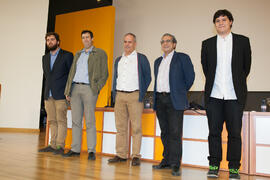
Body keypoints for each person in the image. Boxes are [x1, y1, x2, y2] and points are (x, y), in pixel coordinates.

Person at [201, 9, 251, 179]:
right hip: (214, 96)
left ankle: (234, 168)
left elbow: (246, 68)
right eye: (217, 20)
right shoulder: (207, 44)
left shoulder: (242, 42)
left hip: (234, 97)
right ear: (214, 24)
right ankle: (214, 165)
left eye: (224, 20)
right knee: (214, 132)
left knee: (234, 134)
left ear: (230, 22)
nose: (220, 23)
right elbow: (206, 69)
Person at [152, 33, 195, 176]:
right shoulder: (157, 61)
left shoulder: (182, 58)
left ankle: (176, 164)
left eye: (168, 41)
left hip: (174, 99)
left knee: (175, 133)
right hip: (160, 99)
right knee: (165, 132)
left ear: (174, 44)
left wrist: (180, 91)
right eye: (163, 41)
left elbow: (190, 78)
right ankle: (166, 160)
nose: (165, 44)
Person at [63, 30, 108, 160]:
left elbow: (104, 74)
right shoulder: (78, 54)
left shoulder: (99, 53)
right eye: (83, 37)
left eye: (88, 37)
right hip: (75, 88)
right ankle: (75, 149)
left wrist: (96, 88)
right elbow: (71, 72)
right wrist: (68, 90)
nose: (86, 39)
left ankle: (91, 151)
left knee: (90, 121)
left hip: (89, 89)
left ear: (92, 38)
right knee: (76, 121)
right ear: (82, 40)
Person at [108, 33, 151, 166]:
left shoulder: (141, 58)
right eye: (125, 41)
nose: (127, 44)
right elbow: (115, 78)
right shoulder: (118, 60)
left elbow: (148, 77)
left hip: (134, 95)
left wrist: (141, 92)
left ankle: (136, 156)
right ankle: (121, 154)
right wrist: (115, 95)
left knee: (136, 127)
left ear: (135, 44)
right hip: (120, 96)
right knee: (120, 127)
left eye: (130, 42)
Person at [39, 32, 73, 155]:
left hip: (61, 94)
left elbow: (71, 75)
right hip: (48, 94)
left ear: (58, 41)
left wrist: (69, 91)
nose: (50, 42)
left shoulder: (67, 55)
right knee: (52, 121)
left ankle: (60, 146)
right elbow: (48, 77)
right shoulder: (45, 58)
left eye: (52, 39)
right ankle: (52, 144)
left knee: (61, 120)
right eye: (48, 40)